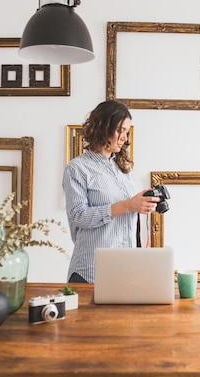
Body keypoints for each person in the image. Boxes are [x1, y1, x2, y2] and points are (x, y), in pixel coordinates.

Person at [62, 101, 160, 283]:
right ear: (103, 127)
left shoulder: (123, 169)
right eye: (120, 130)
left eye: (127, 132)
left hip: (125, 271)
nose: (125, 137)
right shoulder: (77, 168)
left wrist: (143, 204)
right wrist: (128, 205)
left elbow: (127, 215)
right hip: (91, 272)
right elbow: (78, 216)